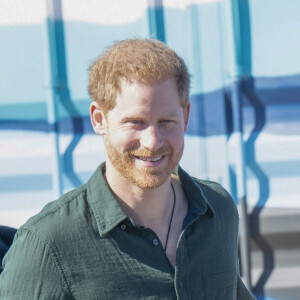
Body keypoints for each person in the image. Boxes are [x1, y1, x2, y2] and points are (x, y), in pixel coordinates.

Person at [0, 39, 255, 299]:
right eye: (135, 122)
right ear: (99, 119)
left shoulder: (217, 210)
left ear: (186, 116)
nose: (152, 141)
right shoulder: (47, 245)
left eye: (166, 121)